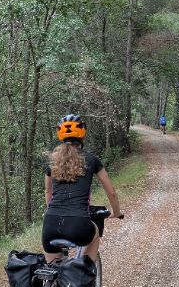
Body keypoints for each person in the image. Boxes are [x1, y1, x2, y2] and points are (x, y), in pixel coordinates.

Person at [43, 114, 123, 265]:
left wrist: (52, 211)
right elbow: (110, 191)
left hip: (50, 225)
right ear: (82, 133)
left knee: (53, 272)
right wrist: (116, 212)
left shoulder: (52, 162)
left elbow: (48, 192)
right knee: (95, 233)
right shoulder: (92, 160)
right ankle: (83, 274)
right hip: (78, 224)